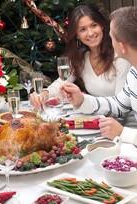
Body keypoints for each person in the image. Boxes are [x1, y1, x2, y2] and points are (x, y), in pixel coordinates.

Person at [30, 4, 133, 125]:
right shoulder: (81, 58)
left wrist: (83, 101)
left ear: (102, 26)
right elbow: (62, 82)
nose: (90, 33)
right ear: (77, 35)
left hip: (124, 125)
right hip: (99, 121)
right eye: (82, 29)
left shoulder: (120, 57)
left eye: (94, 25)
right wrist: (44, 94)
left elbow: (120, 108)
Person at [60, 6, 137, 146]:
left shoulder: (125, 66)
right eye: (82, 29)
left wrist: (122, 132)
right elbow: (118, 105)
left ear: (123, 47)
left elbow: (122, 120)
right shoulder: (134, 74)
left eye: (112, 37)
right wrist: (82, 100)